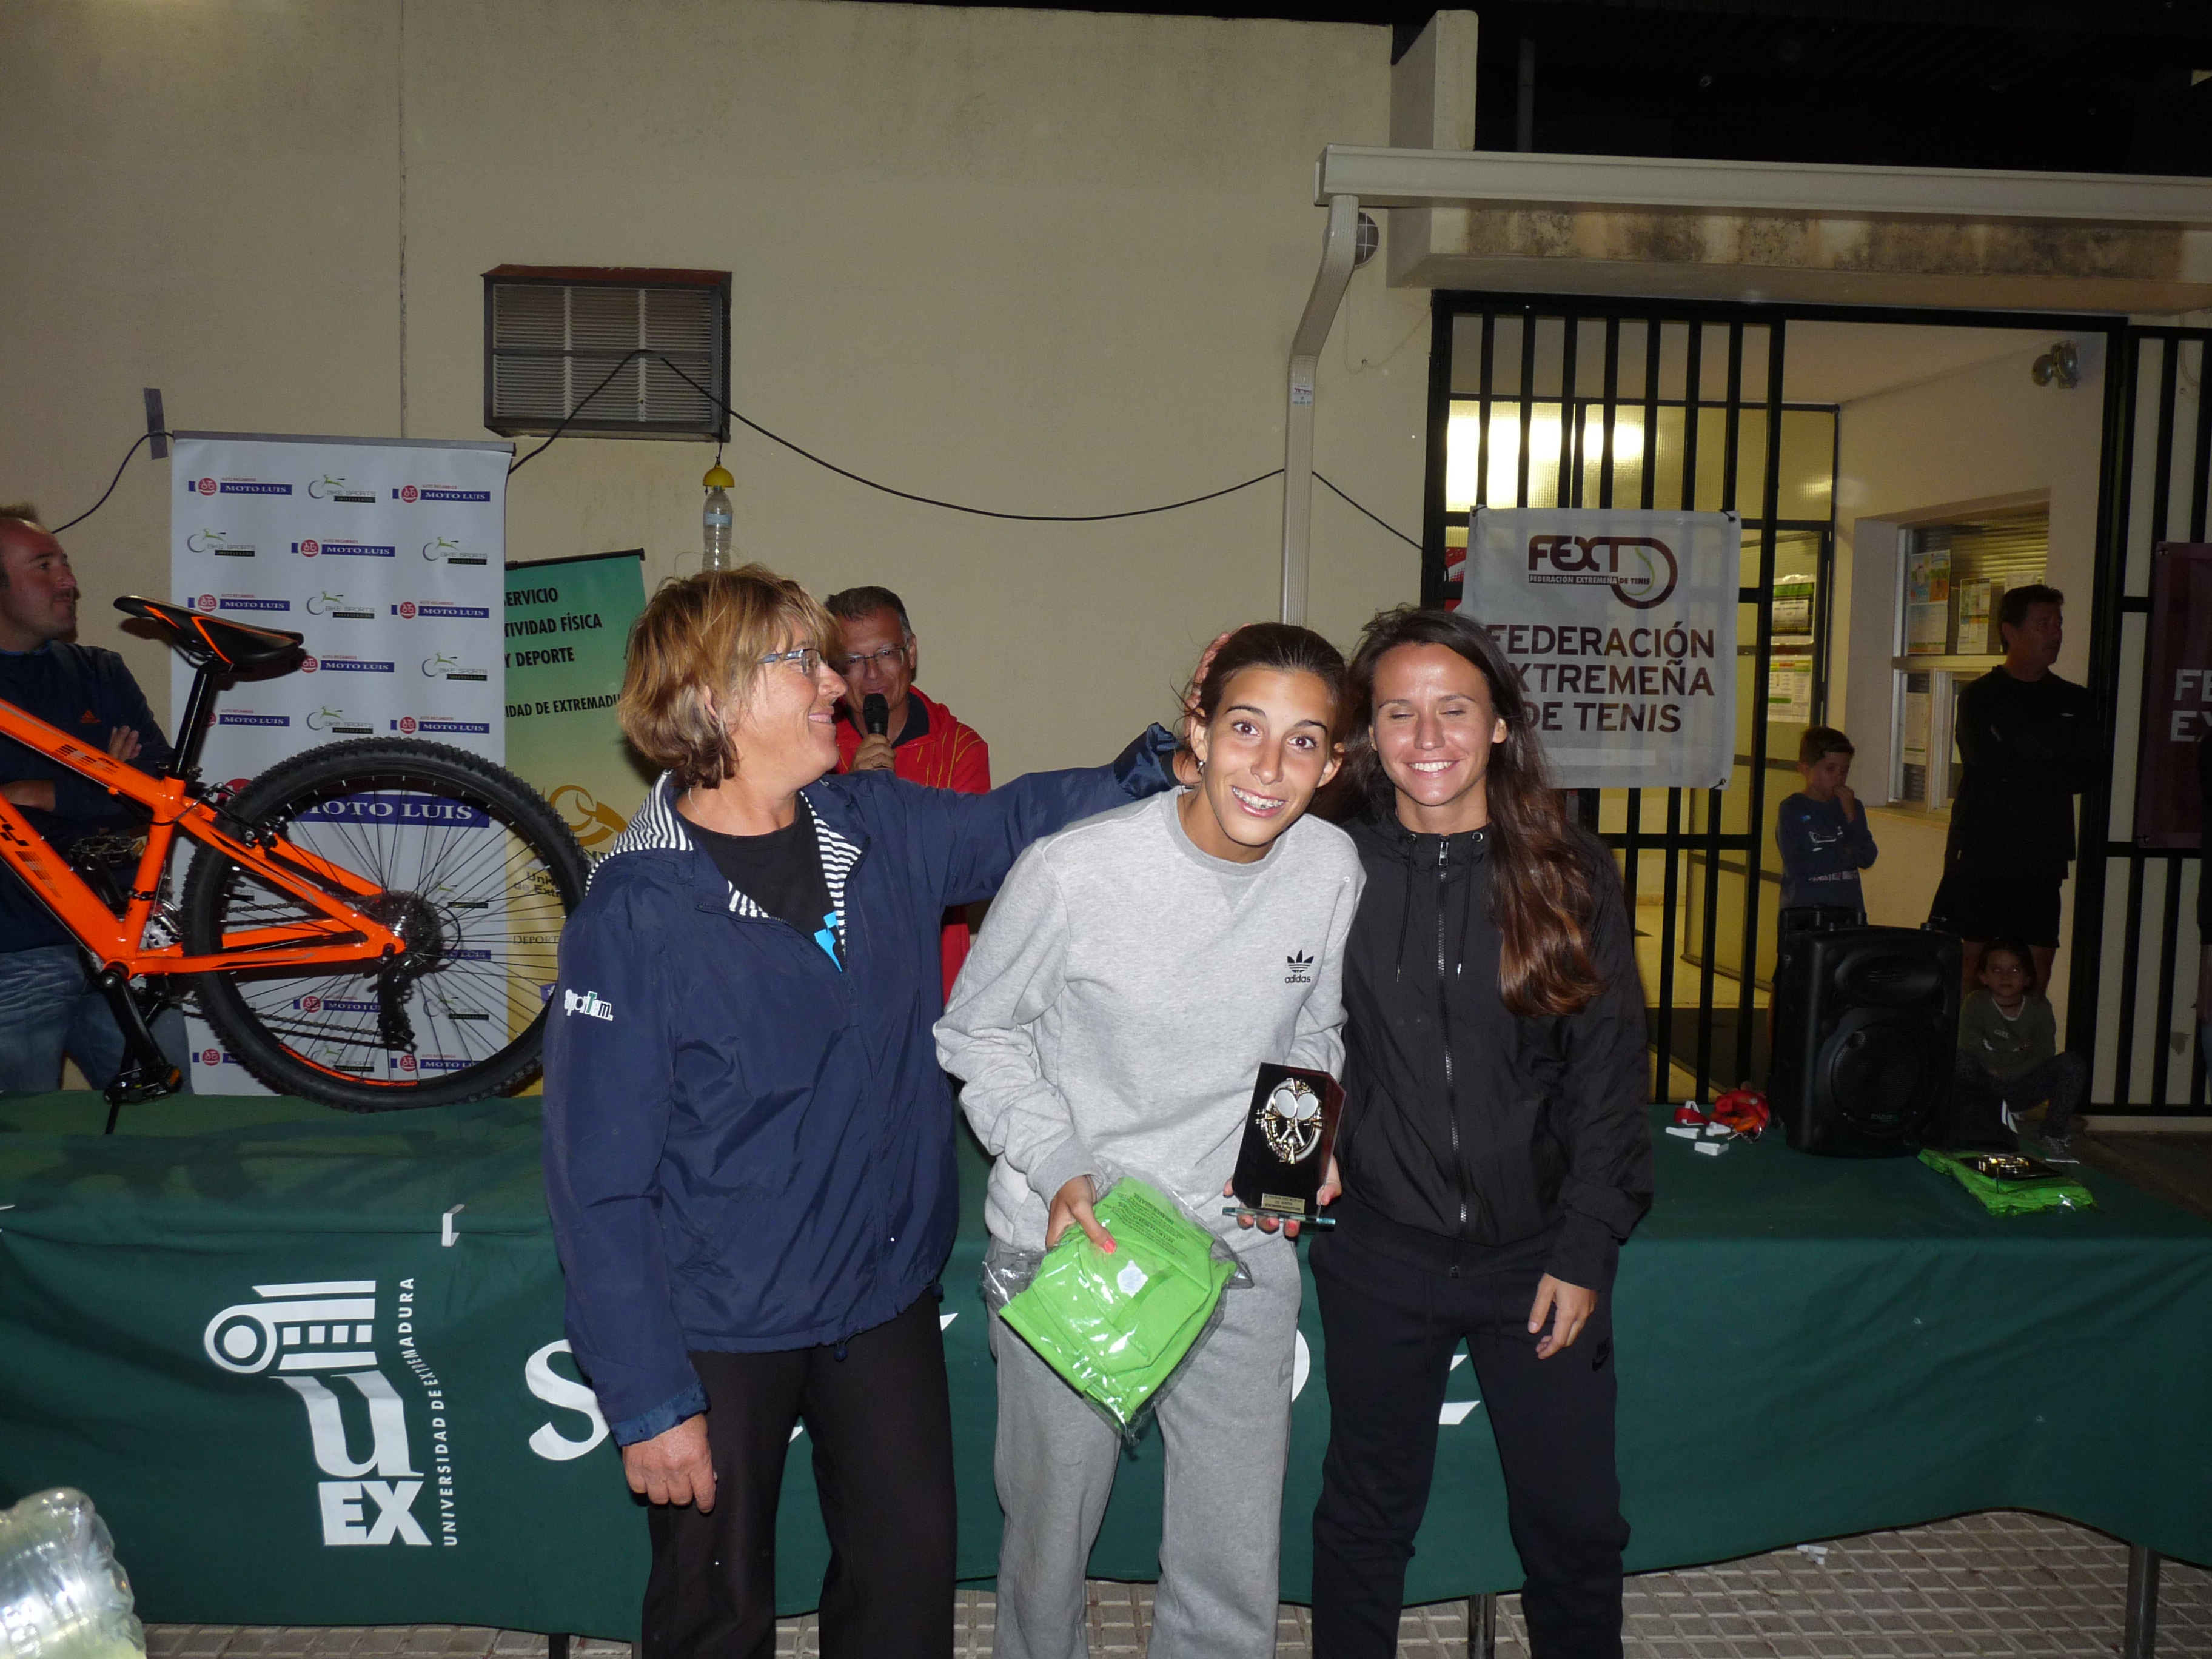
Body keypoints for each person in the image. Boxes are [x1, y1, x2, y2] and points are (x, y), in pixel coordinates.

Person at [541, 565, 1185, 1659]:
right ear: (714, 698)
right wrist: (649, 1399)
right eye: (805, 662)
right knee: (711, 1615)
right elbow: (597, 1182)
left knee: (903, 1592)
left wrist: (1172, 757)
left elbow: (1022, 819)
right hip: (722, 1319)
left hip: (878, 1296)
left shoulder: (873, 825)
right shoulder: (636, 911)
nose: (838, 685)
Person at [937, 623, 1364, 1659]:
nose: (1270, 767)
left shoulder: (1328, 865)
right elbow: (976, 1032)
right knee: (1048, 1543)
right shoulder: (1075, 871)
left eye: (1304, 742)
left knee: (1234, 1557)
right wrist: (1058, 1163)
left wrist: (1294, 1152)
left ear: (1333, 765)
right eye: (1246, 729)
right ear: (1197, 733)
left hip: (1238, 1244)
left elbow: (1314, 1027)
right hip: (1077, 1245)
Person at [1309, 606, 1652, 1659]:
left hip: (1537, 1260)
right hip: (1380, 1251)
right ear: (1368, 732)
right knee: (1364, 1521)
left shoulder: (1567, 870)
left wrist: (1585, 1246)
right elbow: (1282, 1027)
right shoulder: (1326, 866)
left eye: (1453, 709)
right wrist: (1296, 1157)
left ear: (1500, 722)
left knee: (1574, 1527)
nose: (1426, 737)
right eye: (1397, 712)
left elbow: (1607, 1076)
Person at [0, 505, 188, 1094]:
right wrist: (104, 778)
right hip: (15, 955)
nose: (70, 581)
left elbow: (155, 792)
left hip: (122, 944)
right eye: (44, 566)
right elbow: (119, 792)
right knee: (23, 1136)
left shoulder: (101, 670)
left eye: (66, 563)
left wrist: (37, 791)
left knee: (172, 1124)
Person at [1928, 584, 2098, 1003]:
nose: (2055, 634)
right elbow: (1990, 767)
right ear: (2010, 631)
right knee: (1972, 968)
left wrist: (2026, 752)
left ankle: (2026, 1046)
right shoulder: (1980, 697)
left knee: (2036, 971)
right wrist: (2045, 757)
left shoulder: (2074, 701)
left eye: (2058, 624)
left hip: (2043, 854)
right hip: (1981, 851)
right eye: (2043, 624)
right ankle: (1968, 1045)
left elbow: (2086, 773)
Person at [826, 585, 991, 994]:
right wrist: (849, 795)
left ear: (910, 653)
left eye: (885, 653)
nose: (872, 674)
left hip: (930, 976)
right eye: (853, 660)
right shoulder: (812, 748)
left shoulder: (960, 750)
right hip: (841, 980)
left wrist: (887, 803)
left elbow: (963, 872)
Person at [1951, 937, 2090, 1154]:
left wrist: (2009, 1073)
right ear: (1983, 976)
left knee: (2072, 1063)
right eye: (1996, 970)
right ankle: (1968, 1129)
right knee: (1960, 1060)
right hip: (1986, 1085)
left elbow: (2044, 1052)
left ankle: (2052, 1135)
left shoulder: (2039, 1008)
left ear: (2028, 978)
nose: (2005, 977)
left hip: (2024, 1084)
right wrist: (1993, 1070)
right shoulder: (1975, 1003)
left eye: (2015, 970)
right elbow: (1970, 1046)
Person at [1775, 725, 1877, 918]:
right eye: (1830, 769)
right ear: (1805, 770)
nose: (1839, 777)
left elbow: (1867, 857)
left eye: (1845, 770)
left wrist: (1851, 818)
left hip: (1848, 914)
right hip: (1805, 915)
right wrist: (1847, 852)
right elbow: (1798, 868)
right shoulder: (1792, 809)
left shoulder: (1852, 806)